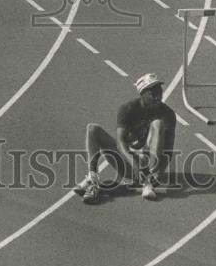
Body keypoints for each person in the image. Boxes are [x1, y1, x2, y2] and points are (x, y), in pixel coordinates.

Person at [75, 73, 176, 204]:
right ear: (142, 93)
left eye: (159, 90)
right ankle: (92, 179)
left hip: (150, 161)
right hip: (127, 162)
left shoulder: (167, 114)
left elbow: (169, 148)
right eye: (152, 92)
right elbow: (120, 143)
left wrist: (158, 174)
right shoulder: (127, 109)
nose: (158, 95)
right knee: (92, 129)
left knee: (157, 123)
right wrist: (134, 164)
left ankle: (148, 180)